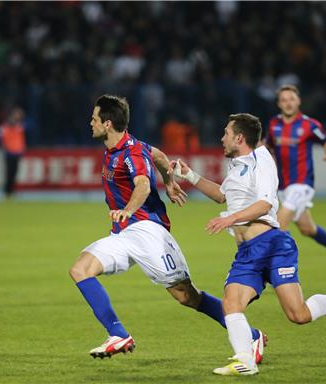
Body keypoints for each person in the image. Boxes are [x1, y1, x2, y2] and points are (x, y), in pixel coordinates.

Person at [172, 113, 326, 376]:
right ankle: (245, 361)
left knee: (299, 315)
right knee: (231, 303)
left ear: (239, 137)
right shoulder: (236, 165)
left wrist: (231, 219)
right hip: (247, 252)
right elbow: (222, 196)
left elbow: (266, 203)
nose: (221, 138)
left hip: (272, 244)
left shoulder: (262, 158)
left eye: (225, 133)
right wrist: (189, 175)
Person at [69, 95, 267, 360]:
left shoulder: (131, 153)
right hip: (123, 234)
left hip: (148, 232)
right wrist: (169, 180)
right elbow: (160, 156)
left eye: (94, 118)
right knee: (80, 270)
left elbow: (142, 185)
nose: (89, 122)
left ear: (107, 124)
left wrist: (128, 209)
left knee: (187, 296)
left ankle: (251, 336)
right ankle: (118, 334)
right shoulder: (127, 146)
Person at [264, 85, 326, 273]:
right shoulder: (273, 124)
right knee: (307, 228)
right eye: (284, 100)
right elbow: (267, 146)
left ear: (298, 101)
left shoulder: (309, 124)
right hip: (283, 186)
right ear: (279, 104)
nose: (288, 103)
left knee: (278, 223)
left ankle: (277, 271)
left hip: (302, 184)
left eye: (291, 99)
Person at [0, 108, 26, 198]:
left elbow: (21, 139)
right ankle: (7, 191)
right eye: (18, 114)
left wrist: (22, 149)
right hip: (9, 152)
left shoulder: (19, 127)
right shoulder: (5, 127)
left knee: (14, 173)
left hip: (16, 152)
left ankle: (11, 191)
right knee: (9, 173)